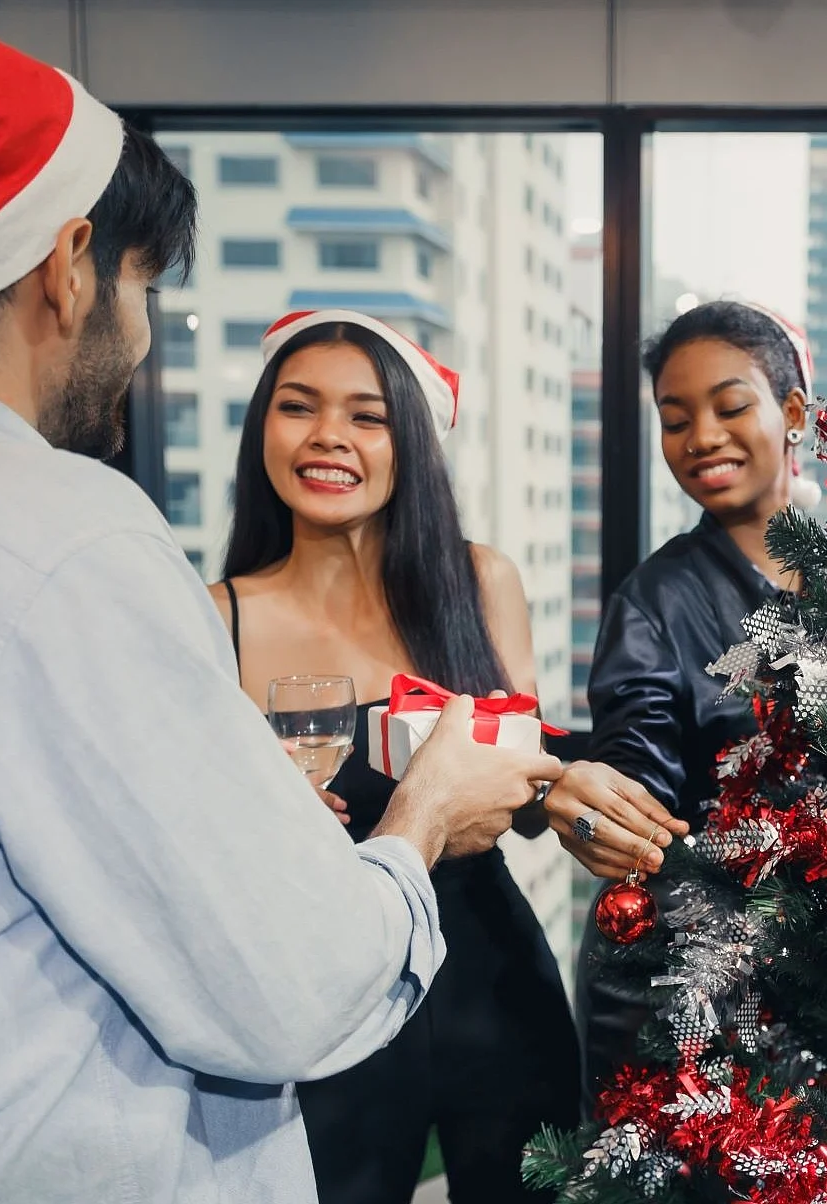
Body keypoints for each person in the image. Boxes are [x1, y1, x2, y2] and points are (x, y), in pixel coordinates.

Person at [0, 5, 559, 1202]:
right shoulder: (64, 543)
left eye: (367, 413)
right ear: (67, 266)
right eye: (141, 284)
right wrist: (419, 818)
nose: (143, 335)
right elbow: (288, 982)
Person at [211, 309, 579, 1204]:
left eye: (366, 416)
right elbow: (208, 839)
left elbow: (525, 796)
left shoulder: (482, 582)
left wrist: (566, 788)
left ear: (410, 443)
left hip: (492, 982)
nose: (329, 435)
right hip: (331, 997)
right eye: (298, 407)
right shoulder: (218, 615)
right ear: (263, 427)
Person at [544, 300, 814, 1091]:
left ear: (793, 413)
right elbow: (636, 751)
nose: (701, 437)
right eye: (675, 418)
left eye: (732, 406)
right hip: (680, 975)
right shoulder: (653, 600)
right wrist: (607, 807)